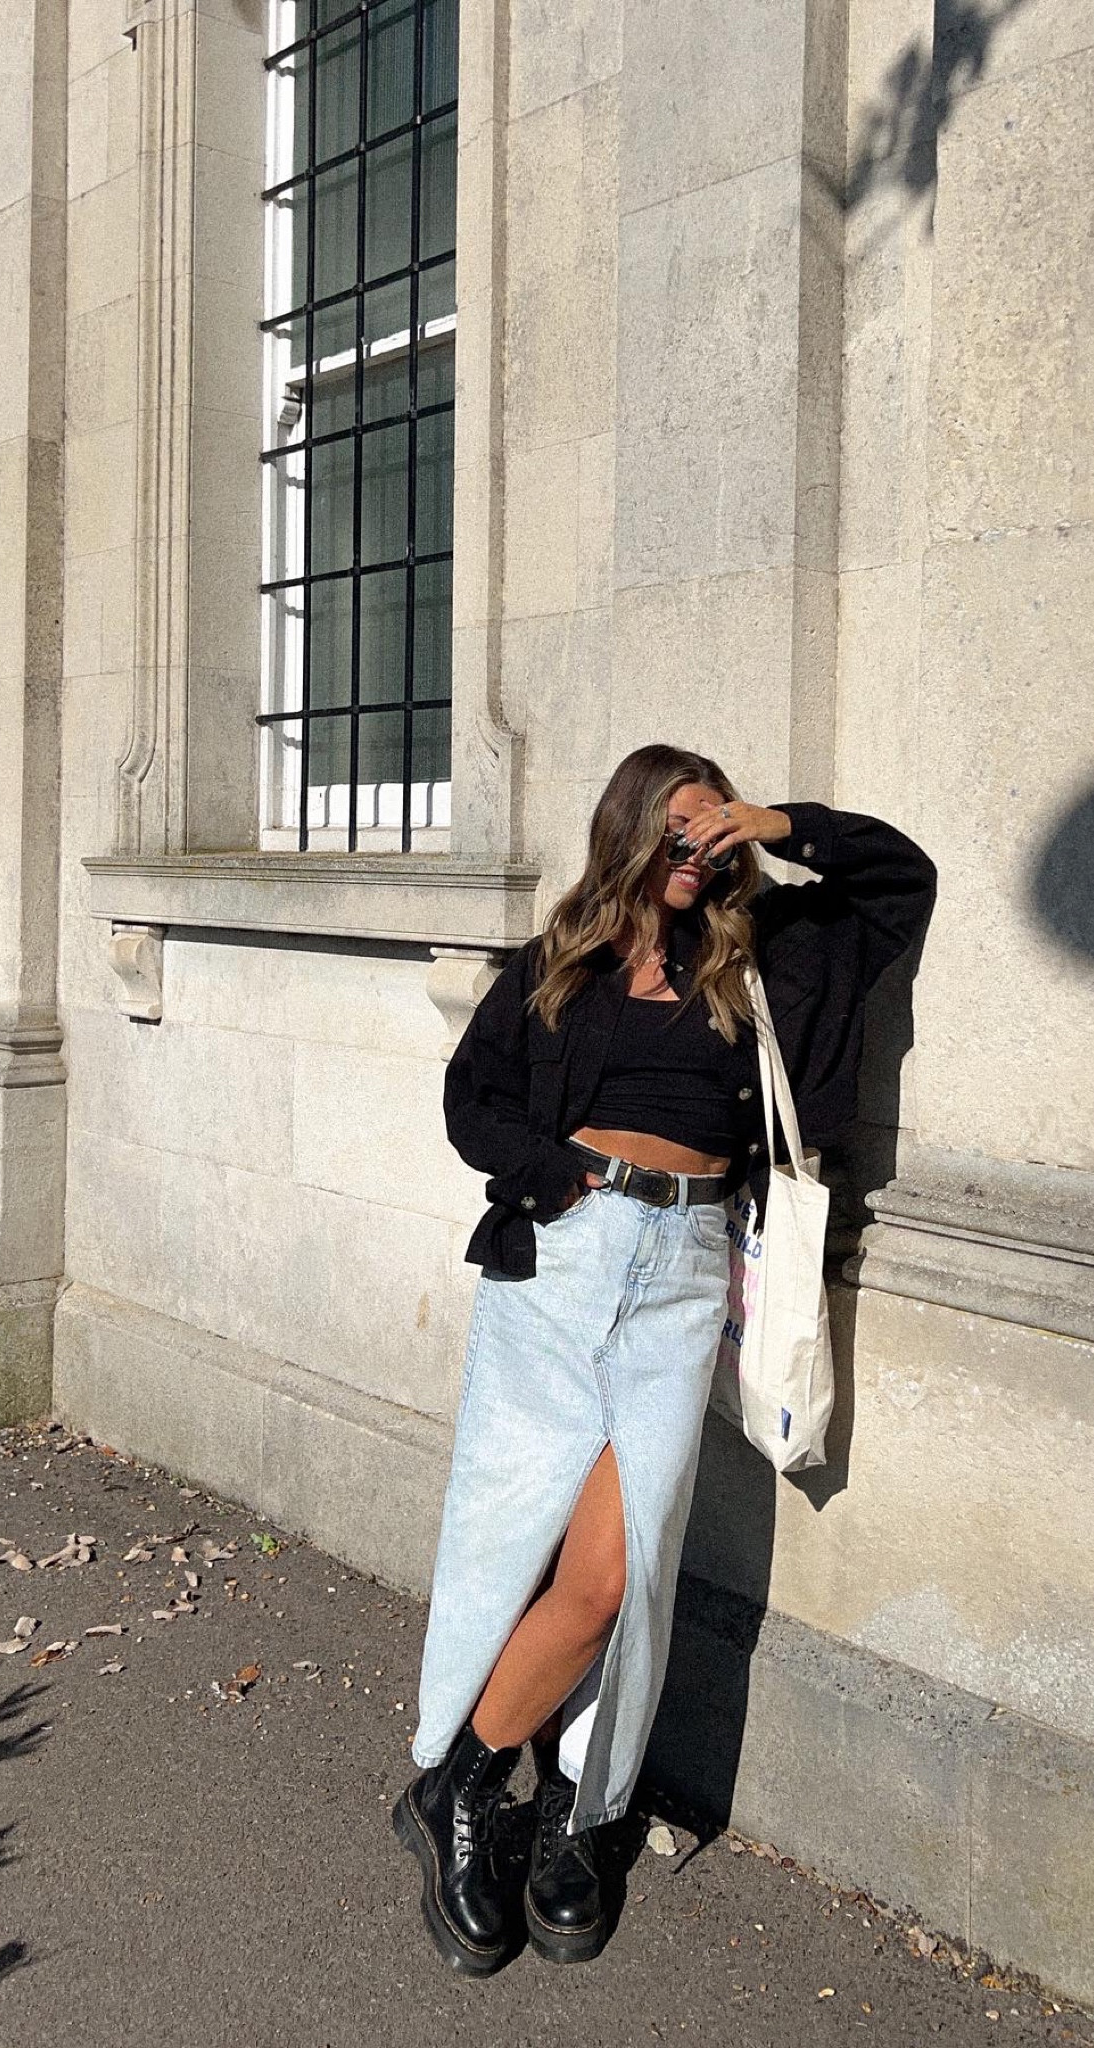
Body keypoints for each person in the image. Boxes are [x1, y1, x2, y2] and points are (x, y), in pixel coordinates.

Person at [392, 743, 937, 1974]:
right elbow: (471, 1095)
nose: (695, 852)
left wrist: (776, 819)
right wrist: (553, 1174)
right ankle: (537, 1817)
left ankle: (488, 1794)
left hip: (687, 1272)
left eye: (712, 830)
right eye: (677, 827)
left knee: (615, 1571)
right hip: (560, 1263)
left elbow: (899, 879)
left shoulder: (770, 954)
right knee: (502, 1538)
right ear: (630, 830)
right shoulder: (559, 963)